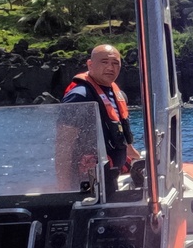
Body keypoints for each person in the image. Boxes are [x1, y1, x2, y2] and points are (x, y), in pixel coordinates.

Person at [58, 45, 141, 187]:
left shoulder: (117, 95)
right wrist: (63, 187)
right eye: (104, 62)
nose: (110, 68)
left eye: (115, 63)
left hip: (109, 175)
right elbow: (63, 146)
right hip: (88, 180)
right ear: (90, 64)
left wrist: (133, 154)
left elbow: (116, 133)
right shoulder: (80, 97)